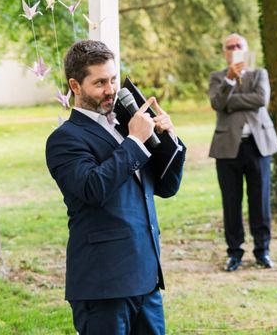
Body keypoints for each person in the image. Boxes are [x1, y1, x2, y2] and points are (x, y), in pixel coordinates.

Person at [46, 40, 187, 334]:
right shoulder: (65, 139)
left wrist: (170, 139)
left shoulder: (127, 125)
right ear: (75, 85)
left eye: (112, 79)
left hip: (146, 277)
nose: (110, 89)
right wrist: (135, 141)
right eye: (99, 83)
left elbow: (166, 187)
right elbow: (93, 188)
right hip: (102, 284)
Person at [208, 33, 277, 272]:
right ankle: (234, 253)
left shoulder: (260, 74)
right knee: (231, 202)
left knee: (260, 201)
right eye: (230, 46)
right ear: (224, 52)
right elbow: (218, 104)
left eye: (239, 45)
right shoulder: (217, 77)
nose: (235, 49)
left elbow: (261, 99)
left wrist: (232, 101)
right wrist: (229, 81)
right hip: (227, 148)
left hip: (258, 146)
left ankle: (263, 251)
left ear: (247, 49)